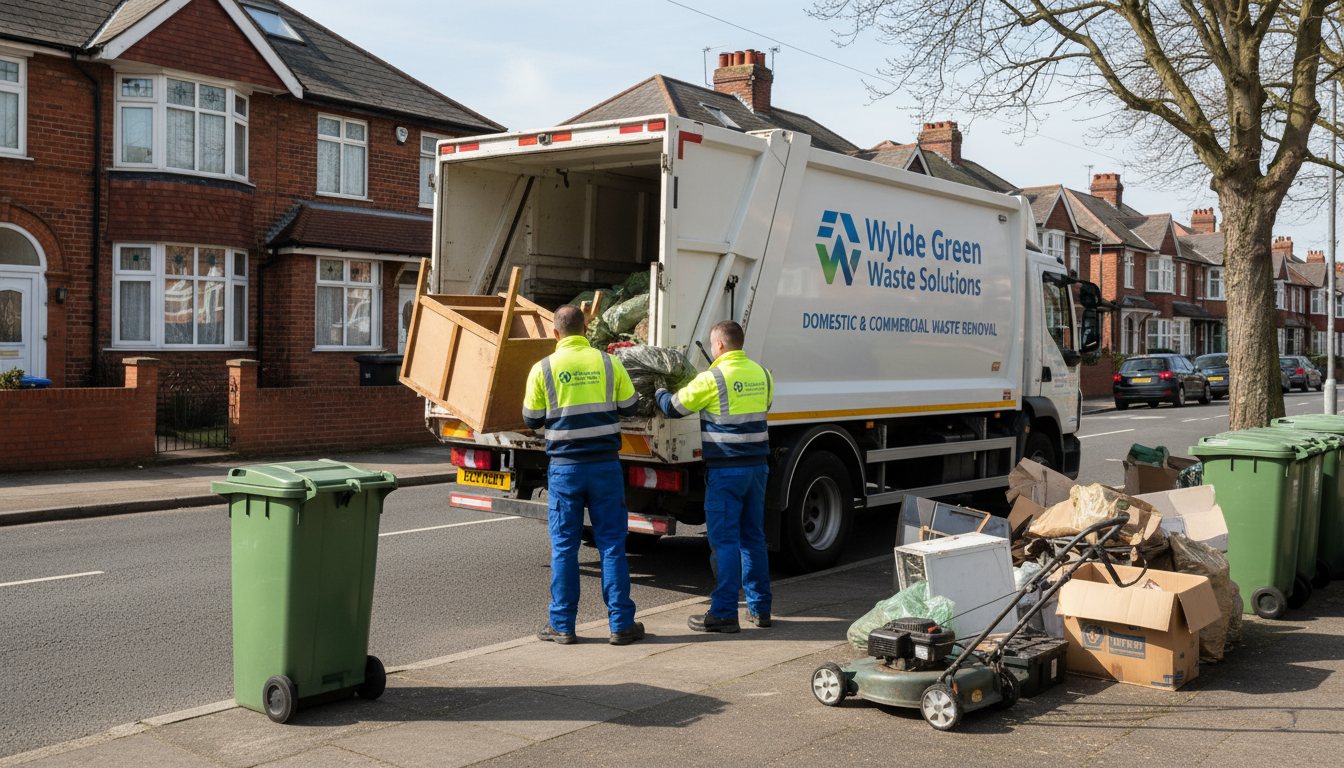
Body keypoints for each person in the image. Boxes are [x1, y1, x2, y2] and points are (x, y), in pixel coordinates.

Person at [522, 304, 645, 646]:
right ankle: (621, 625)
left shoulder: (543, 368)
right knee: (612, 546)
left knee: (565, 548)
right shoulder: (609, 363)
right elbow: (631, 405)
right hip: (605, 467)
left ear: (555, 332)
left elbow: (531, 418)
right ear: (586, 330)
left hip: (565, 470)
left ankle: (562, 626)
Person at [655, 320, 772, 633]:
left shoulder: (713, 378)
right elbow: (765, 405)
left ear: (719, 345)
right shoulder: (763, 374)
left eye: (711, 343)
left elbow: (674, 408)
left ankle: (723, 614)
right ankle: (760, 610)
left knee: (724, 542)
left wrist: (659, 390)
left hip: (727, 471)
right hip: (757, 469)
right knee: (753, 538)